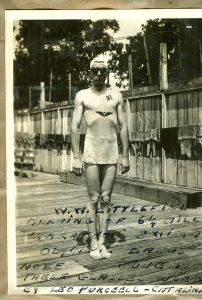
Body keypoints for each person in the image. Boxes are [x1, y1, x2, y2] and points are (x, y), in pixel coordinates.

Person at [71, 56, 130, 260]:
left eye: (102, 70)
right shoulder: (82, 96)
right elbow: (74, 127)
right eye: (95, 70)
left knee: (106, 199)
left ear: (107, 72)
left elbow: (123, 127)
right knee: (94, 198)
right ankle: (93, 242)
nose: (98, 73)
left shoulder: (116, 96)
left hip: (111, 149)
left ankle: (103, 241)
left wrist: (125, 156)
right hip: (91, 150)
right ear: (90, 72)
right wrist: (77, 157)